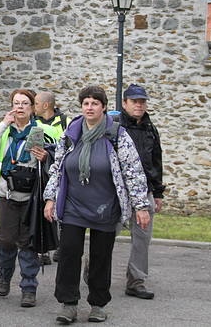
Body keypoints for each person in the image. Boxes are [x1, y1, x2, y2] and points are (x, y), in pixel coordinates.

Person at [43, 85, 150, 324]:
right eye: (86, 103)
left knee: (101, 256)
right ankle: (68, 304)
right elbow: (57, 167)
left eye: (94, 103)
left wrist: (140, 206)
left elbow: (133, 171)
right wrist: (50, 198)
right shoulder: (71, 133)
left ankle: (98, 304)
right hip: (73, 205)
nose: (89, 107)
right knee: (70, 253)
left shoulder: (116, 134)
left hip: (105, 206)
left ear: (103, 107)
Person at [0, 89, 58, 308]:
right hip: (7, 193)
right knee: (7, 240)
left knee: (28, 242)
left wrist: (46, 156)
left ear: (32, 108)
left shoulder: (39, 131)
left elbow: (60, 155)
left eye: (25, 103)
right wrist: (2, 124)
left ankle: (29, 287)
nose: (20, 107)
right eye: (16, 103)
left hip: (31, 196)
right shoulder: (5, 130)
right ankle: (5, 276)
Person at [116, 84, 164, 299]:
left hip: (144, 191)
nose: (139, 105)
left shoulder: (150, 128)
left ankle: (136, 280)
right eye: (134, 101)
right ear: (124, 103)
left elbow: (155, 160)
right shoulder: (113, 126)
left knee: (142, 238)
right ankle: (94, 270)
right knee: (108, 234)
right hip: (116, 191)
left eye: (142, 101)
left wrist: (158, 192)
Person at [34, 91, 70, 264]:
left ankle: (61, 246)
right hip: (40, 172)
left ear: (46, 105)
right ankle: (43, 251)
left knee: (61, 209)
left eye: (36, 104)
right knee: (42, 210)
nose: (34, 107)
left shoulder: (65, 123)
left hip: (60, 173)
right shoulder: (34, 123)